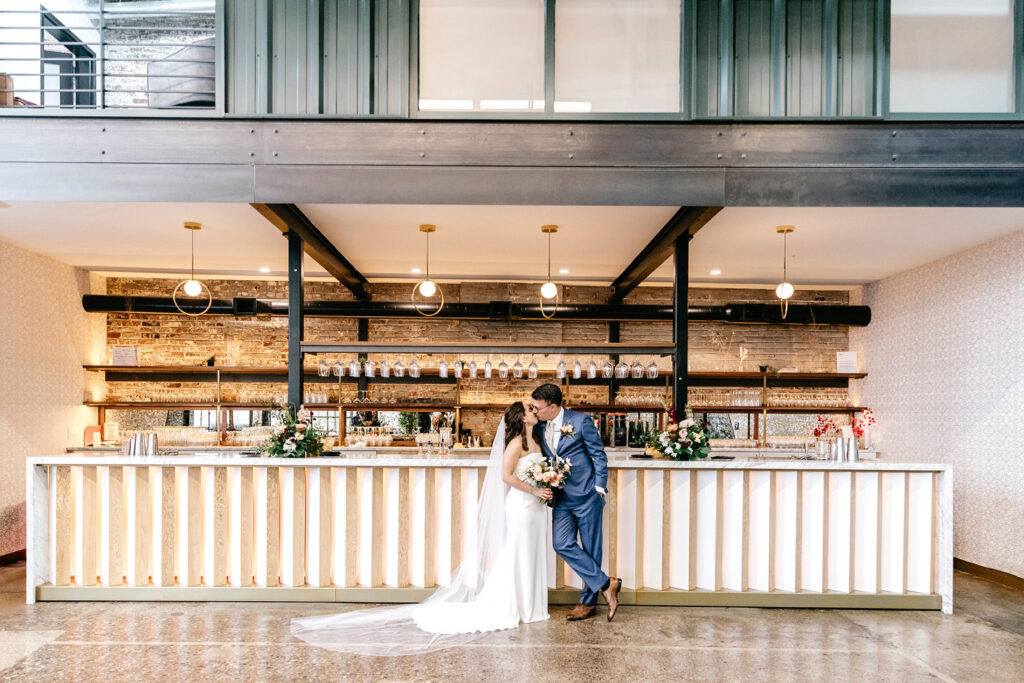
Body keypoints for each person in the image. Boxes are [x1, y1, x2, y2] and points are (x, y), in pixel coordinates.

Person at [290, 401, 553, 656]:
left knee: (531, 554)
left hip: (536, 508)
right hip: (521, 505)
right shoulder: (516, 444)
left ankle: (532, 605)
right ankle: (520, 605)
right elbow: (505, 476)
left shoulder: (537, 441)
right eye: (530, 409)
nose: (534, 410)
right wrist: (533, 488)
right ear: (521, 418)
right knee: (518, 553)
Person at [530, 383, 621, 622]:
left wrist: (599, 488)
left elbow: (598, 455)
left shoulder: (580, 422)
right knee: (561, 543)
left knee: (591, 548)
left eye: (537, 408)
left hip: (588, 496)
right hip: (561, 497)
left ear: (552, 407)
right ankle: (606, 583)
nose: (534, 411)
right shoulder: (539, 427)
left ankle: (587, 603)